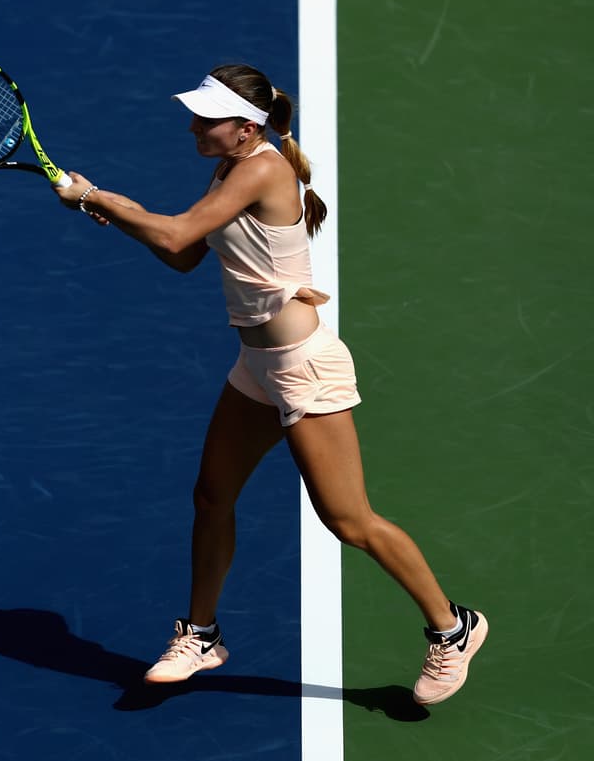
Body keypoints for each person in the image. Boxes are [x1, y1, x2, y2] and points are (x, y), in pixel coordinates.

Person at [52, 64, 486, 706]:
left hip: (303, 367)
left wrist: (99, 198)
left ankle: (454, 628)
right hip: (257, 366)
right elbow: (183, 254)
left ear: (246, 125)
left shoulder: (261, 167)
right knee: (212, 497)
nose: (196, 126)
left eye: (208, 117)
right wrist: (119, 215)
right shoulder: (232, 166)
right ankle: (200, 634)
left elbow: (175, 232)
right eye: (196, 115)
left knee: (349, 520)